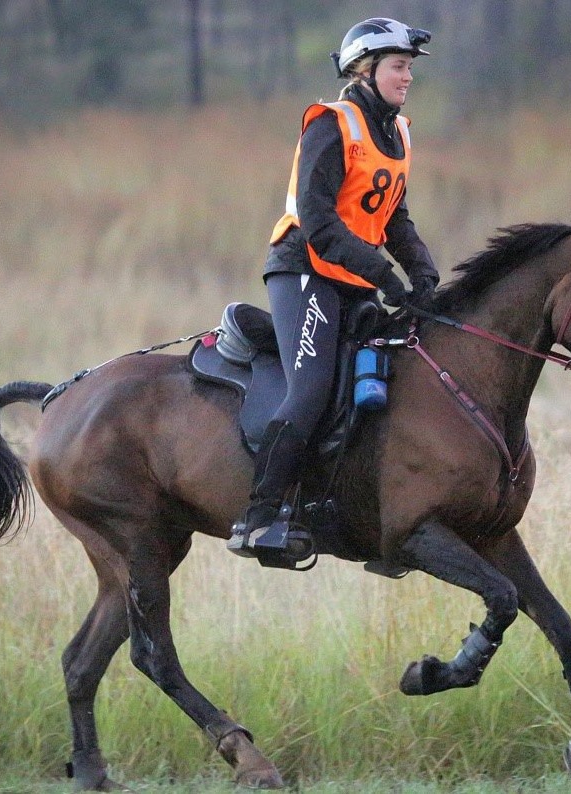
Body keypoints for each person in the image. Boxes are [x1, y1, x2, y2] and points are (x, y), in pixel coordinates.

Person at [228, 17, 440, 558]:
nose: (407, 76)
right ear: (365, 71)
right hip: (306, 270)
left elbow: (393, 217)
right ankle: (257, 519)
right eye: (398, 66)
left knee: (380, 380)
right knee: (313, 390)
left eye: (409, 67)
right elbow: (318, 221)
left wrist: (422, 273)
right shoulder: (331, 123)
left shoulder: (399, 132)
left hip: (354, 279)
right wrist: (385, 276)